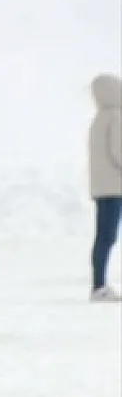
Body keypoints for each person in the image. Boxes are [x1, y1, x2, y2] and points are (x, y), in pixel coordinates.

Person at [90, 73, 122, 301]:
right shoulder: (116, 117)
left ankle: (98, 282)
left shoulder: (98, 119)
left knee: (103, 236)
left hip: (102, 187)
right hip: (115, 186)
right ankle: (99, 287)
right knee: (108, 237)